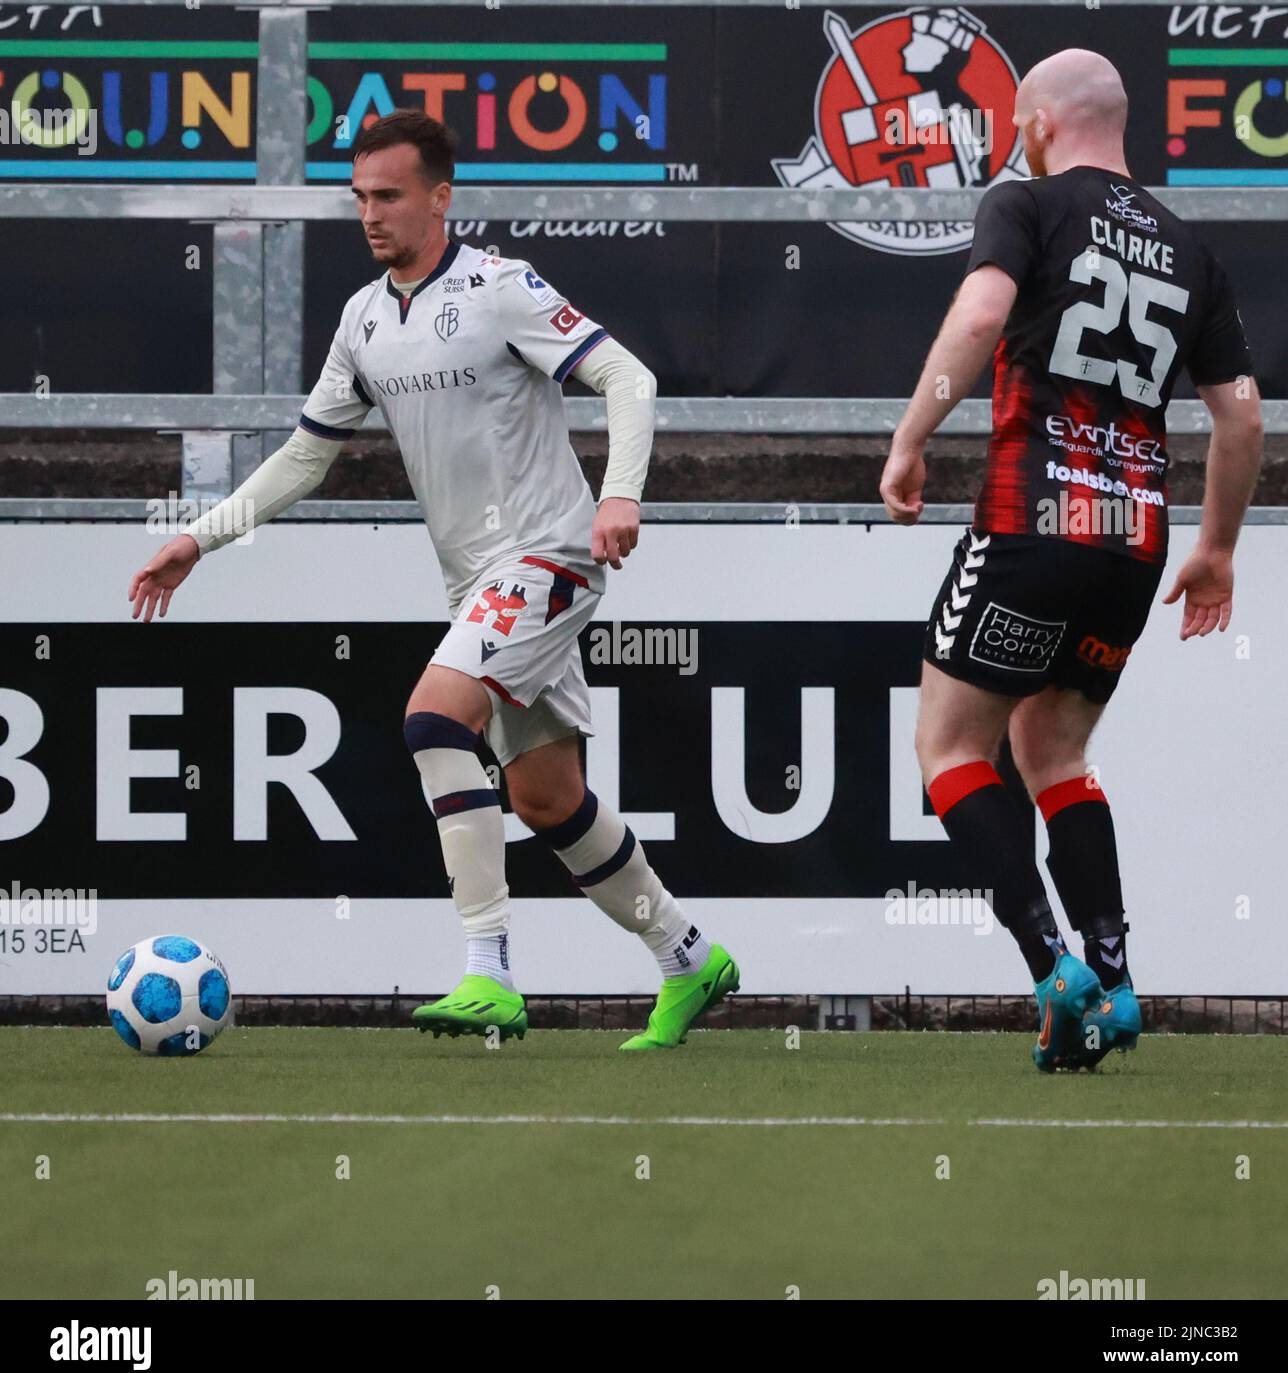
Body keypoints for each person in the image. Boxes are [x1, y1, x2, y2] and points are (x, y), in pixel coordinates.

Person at [128, 110, 739, 1051]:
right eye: (361, 197)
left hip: (551, 555)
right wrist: (198, 540)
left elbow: (628, 378)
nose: (371, 214)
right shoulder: (364, 319)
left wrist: (620, 495)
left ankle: (486, 970)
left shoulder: (500, 289)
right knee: (546, 799)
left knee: (430, 719)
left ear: (440, 197)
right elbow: (304, 457)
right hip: (477, 585)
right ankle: (689, 955)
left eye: (390, 195)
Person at [878, 50, 1262, 1070]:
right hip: (1132, 542)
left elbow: (977, 315)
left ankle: (1055, 968)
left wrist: (912, 435)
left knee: (951, 749)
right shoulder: (1189, 247)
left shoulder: (1026, 201)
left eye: (1019, 123)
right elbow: (1240, 414)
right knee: (1056, 756)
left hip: (1029, 520)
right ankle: (1118, 980)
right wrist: (1215, 548)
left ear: (1039, 119)